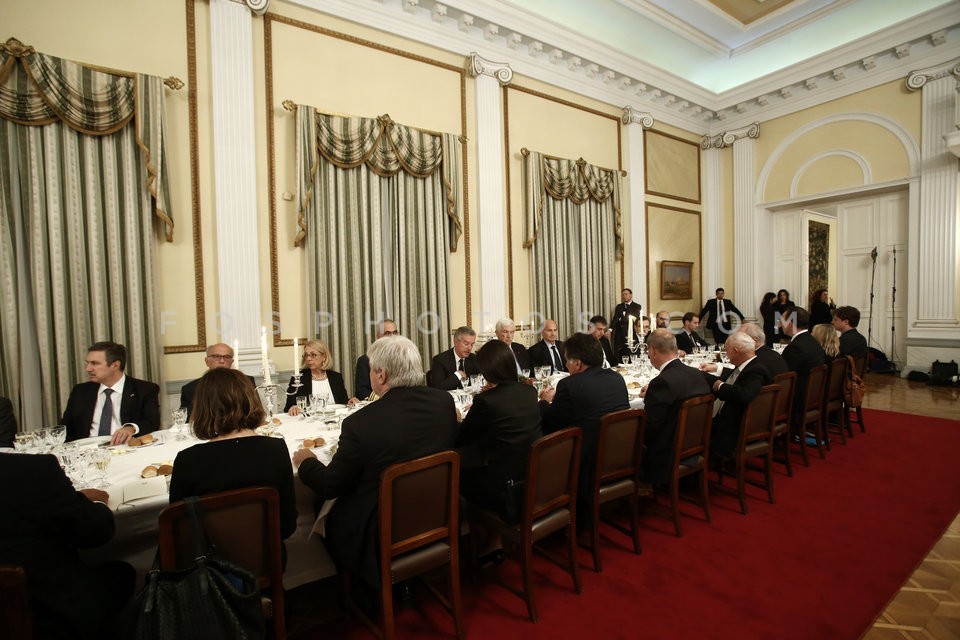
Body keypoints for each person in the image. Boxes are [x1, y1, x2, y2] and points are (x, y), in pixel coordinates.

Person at [293, 336, 457, 615]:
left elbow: (331, 485)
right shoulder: (443, 402)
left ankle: (364, 586)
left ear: (381, 375)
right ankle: (405, 578)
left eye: (370, 369)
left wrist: (307, 462)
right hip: (436, 512)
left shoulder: (361, 423)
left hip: (382, 527)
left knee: (322, 507)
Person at [0, 453, 134, 639]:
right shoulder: (33, 470)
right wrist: (94, 502)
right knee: (122, 572)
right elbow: (96, 532)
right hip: (52, 617)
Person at [169, 368, 297, 543]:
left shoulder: (188, 460)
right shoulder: (275, 448)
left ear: (202, 408)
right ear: (250, 400)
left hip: (209, 558)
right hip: (268, 554)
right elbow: (288, 525)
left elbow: (178, 533)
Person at [538, 332, 629, 520]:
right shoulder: (616, 378)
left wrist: (544, 402)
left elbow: (551, 422)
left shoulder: (569, 385)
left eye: (567, 361)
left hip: (587, 463)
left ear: (578, 363)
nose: (566, 365)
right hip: (621, 455)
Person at [456, 340, 542, 523]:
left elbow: (463, 437)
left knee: (455, 468)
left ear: (487, 370)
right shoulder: (529, 391)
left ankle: (478, 533)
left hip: (503, 485)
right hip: (531, 474)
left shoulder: (486, 400)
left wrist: (456, 418)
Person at [640, 329, 711, 485]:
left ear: (652, 351)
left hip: (668, 454)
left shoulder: (662, 382)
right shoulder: (696, 374)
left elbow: (650, 428)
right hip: (695, 444)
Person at [62, 341, 160, 445]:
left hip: (125, 448)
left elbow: (152, 422)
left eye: (95, 363)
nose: (88, 369)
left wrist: (131, 428)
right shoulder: (80, 391)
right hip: (87, 449)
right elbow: (66, 428)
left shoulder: (144, 389)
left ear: (115, 365)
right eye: (88, 363)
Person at [704, 332, 772, 457]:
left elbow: (744, 395)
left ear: (735, 351)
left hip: (731, 426)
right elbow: (732, 378)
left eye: (727, 351)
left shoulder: (756, 370)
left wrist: (720, 386)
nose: (726, 354)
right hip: (730, 417)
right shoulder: (748, 364)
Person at [179, 343, 255, 418]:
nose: (222, 361)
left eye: (226, 357)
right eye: (216, 356)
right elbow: (189, 419)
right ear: (207, 361)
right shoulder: (190, 389)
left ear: (232, 362)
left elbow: (255, 412)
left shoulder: (246, 382)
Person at [780, 307, 827, 429]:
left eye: (782, 321)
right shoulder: (813, 341)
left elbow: (782, 374)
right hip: (813, 394)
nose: (780, 324)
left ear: (790, 324)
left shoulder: (796, 347)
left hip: (798, 398)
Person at [285, 339, 349, 414]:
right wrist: (293, 408)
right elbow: (288, 407)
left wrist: (350, 401)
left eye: (313, 355)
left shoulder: (336, 377)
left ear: (324, 357)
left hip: (335, 418)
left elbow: (344, 403)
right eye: (306, 355)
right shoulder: (299, 379)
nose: (308, 359)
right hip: (309, 420)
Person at [352, 319, 398, 401]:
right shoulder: (365, 361)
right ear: (378, 336)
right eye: (387, 333)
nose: (392, 337)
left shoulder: (405, 358)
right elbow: (362, 391)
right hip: (378, 404)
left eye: (395, 333)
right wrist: (385, 399)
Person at [428, 326, 481, 390]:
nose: (469, 348)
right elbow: (437, 389)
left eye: (472, 344)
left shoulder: (474, 358)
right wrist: (457, 375)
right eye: (466, 344)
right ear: (456, 342)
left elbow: (481, 381)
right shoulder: (440, 360)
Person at [611, 288, 643, 354]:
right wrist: (610, 329)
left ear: (631, 295)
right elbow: (615, 319)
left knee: (630, 351)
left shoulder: (637, 306)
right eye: (623, 295)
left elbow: (633, 318)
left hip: (631, 332)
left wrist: (621, 319)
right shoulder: (619, 307)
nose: (624, 296)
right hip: (619, 334)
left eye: (626, 294)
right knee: (618, 352)